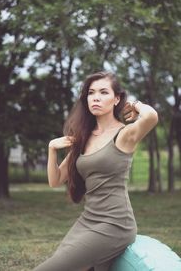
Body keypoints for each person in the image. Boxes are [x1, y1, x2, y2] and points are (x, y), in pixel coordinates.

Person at [33, 71, 158, 271]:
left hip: (115, 224)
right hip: (88, 219)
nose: (96, 97)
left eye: (103, 92)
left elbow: (151, 116)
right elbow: (55, 180)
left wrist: (135, 105)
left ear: (116, 98)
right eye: (91, 93)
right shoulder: (82, 138)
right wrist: (51, 149)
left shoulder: (124, 134)